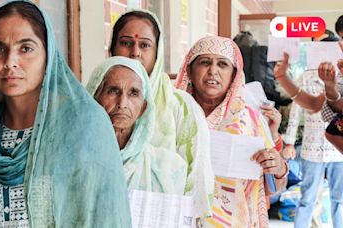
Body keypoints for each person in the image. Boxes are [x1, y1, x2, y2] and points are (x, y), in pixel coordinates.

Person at [0, 1, 131, 227]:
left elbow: (104, 216)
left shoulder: (81, 125)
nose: (10, 62)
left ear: (48, 55)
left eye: (26, 48)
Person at [175, 36, 288, 227]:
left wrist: (278, 168)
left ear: (234, 74)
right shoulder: (173, 114)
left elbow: (274, 188)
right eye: (204, 62)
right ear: (190, 71)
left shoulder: (251, 120)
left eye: (222, 64)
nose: (213, 71)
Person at [109, 9, 215, 213]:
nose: (135, 52)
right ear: (112, 50)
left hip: (163, 217)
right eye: (125, 43)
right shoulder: (96, 101)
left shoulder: (180, 106)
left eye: (145, 45)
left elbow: (195, 176)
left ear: (157, 53)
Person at [86, 56, 213, 223]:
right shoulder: (74, 164)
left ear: (143, 107)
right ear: (94, 97)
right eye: (113, 90)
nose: (122, 103)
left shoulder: (168, 168)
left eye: (134, 93)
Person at [282, 68, 343, 228]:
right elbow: (295, 112)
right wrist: (289, 142)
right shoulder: (307, 78)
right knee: (307, 198)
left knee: (339, 199)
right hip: (312, 147)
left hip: (338, 151)